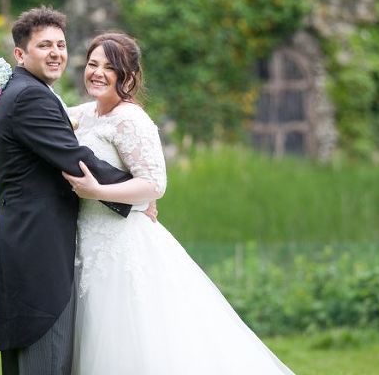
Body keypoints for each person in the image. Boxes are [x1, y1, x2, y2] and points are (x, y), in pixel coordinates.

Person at [63, 31, 295, 374]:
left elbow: (154, 183)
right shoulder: (87, 114)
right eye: (92, 64)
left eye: (109, 67)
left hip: (122, 243)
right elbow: (49, 110)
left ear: (128, 75)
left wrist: (98, 191)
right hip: (88, 239)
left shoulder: (131, 119)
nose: (96, 72)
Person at [0, 7, 156, 375]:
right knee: (47, 360)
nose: (56, 52)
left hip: (26, 239)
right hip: (39, 249)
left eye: (61, 44)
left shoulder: (23, 91)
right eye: (45, 45)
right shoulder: (31, 97)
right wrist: (140, 192)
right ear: (20, 54)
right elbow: (75, 158)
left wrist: (141, 189)